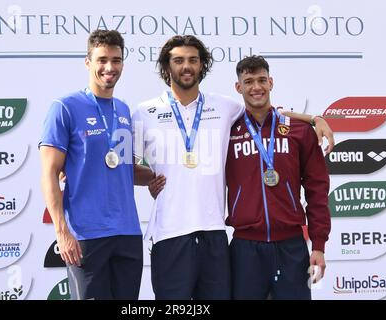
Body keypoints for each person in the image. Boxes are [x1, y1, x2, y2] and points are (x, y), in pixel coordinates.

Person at [133, 35, 334, 300]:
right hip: (176, 236)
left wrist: (314, 118)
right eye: (178, 60)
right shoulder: (143, 112)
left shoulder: (224, 107)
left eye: (193, 60)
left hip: (220, 237)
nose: (186, 66)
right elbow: (124, 164)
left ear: (202, 65)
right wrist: (150, 178)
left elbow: (266, 110)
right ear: (166, 65)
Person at [39, 29, 159, 300]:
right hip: (86, 235)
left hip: (128, 233)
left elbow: (123, 169)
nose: (109, 67)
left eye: (116, 60)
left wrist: (160, 176)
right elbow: (48, 173)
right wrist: (62, 231)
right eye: (102, 59)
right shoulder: (64, 107)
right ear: (88, 62)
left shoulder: (124, 110)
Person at [226, 55, 331, 300]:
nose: (256, 87)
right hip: (245, 248)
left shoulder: (298, 130)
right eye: (249, 81)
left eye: (262, 80)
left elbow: (317, 189)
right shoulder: (227, 130)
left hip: (292, 246)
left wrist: (318, 245)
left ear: (271, 83)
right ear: (238, 87)